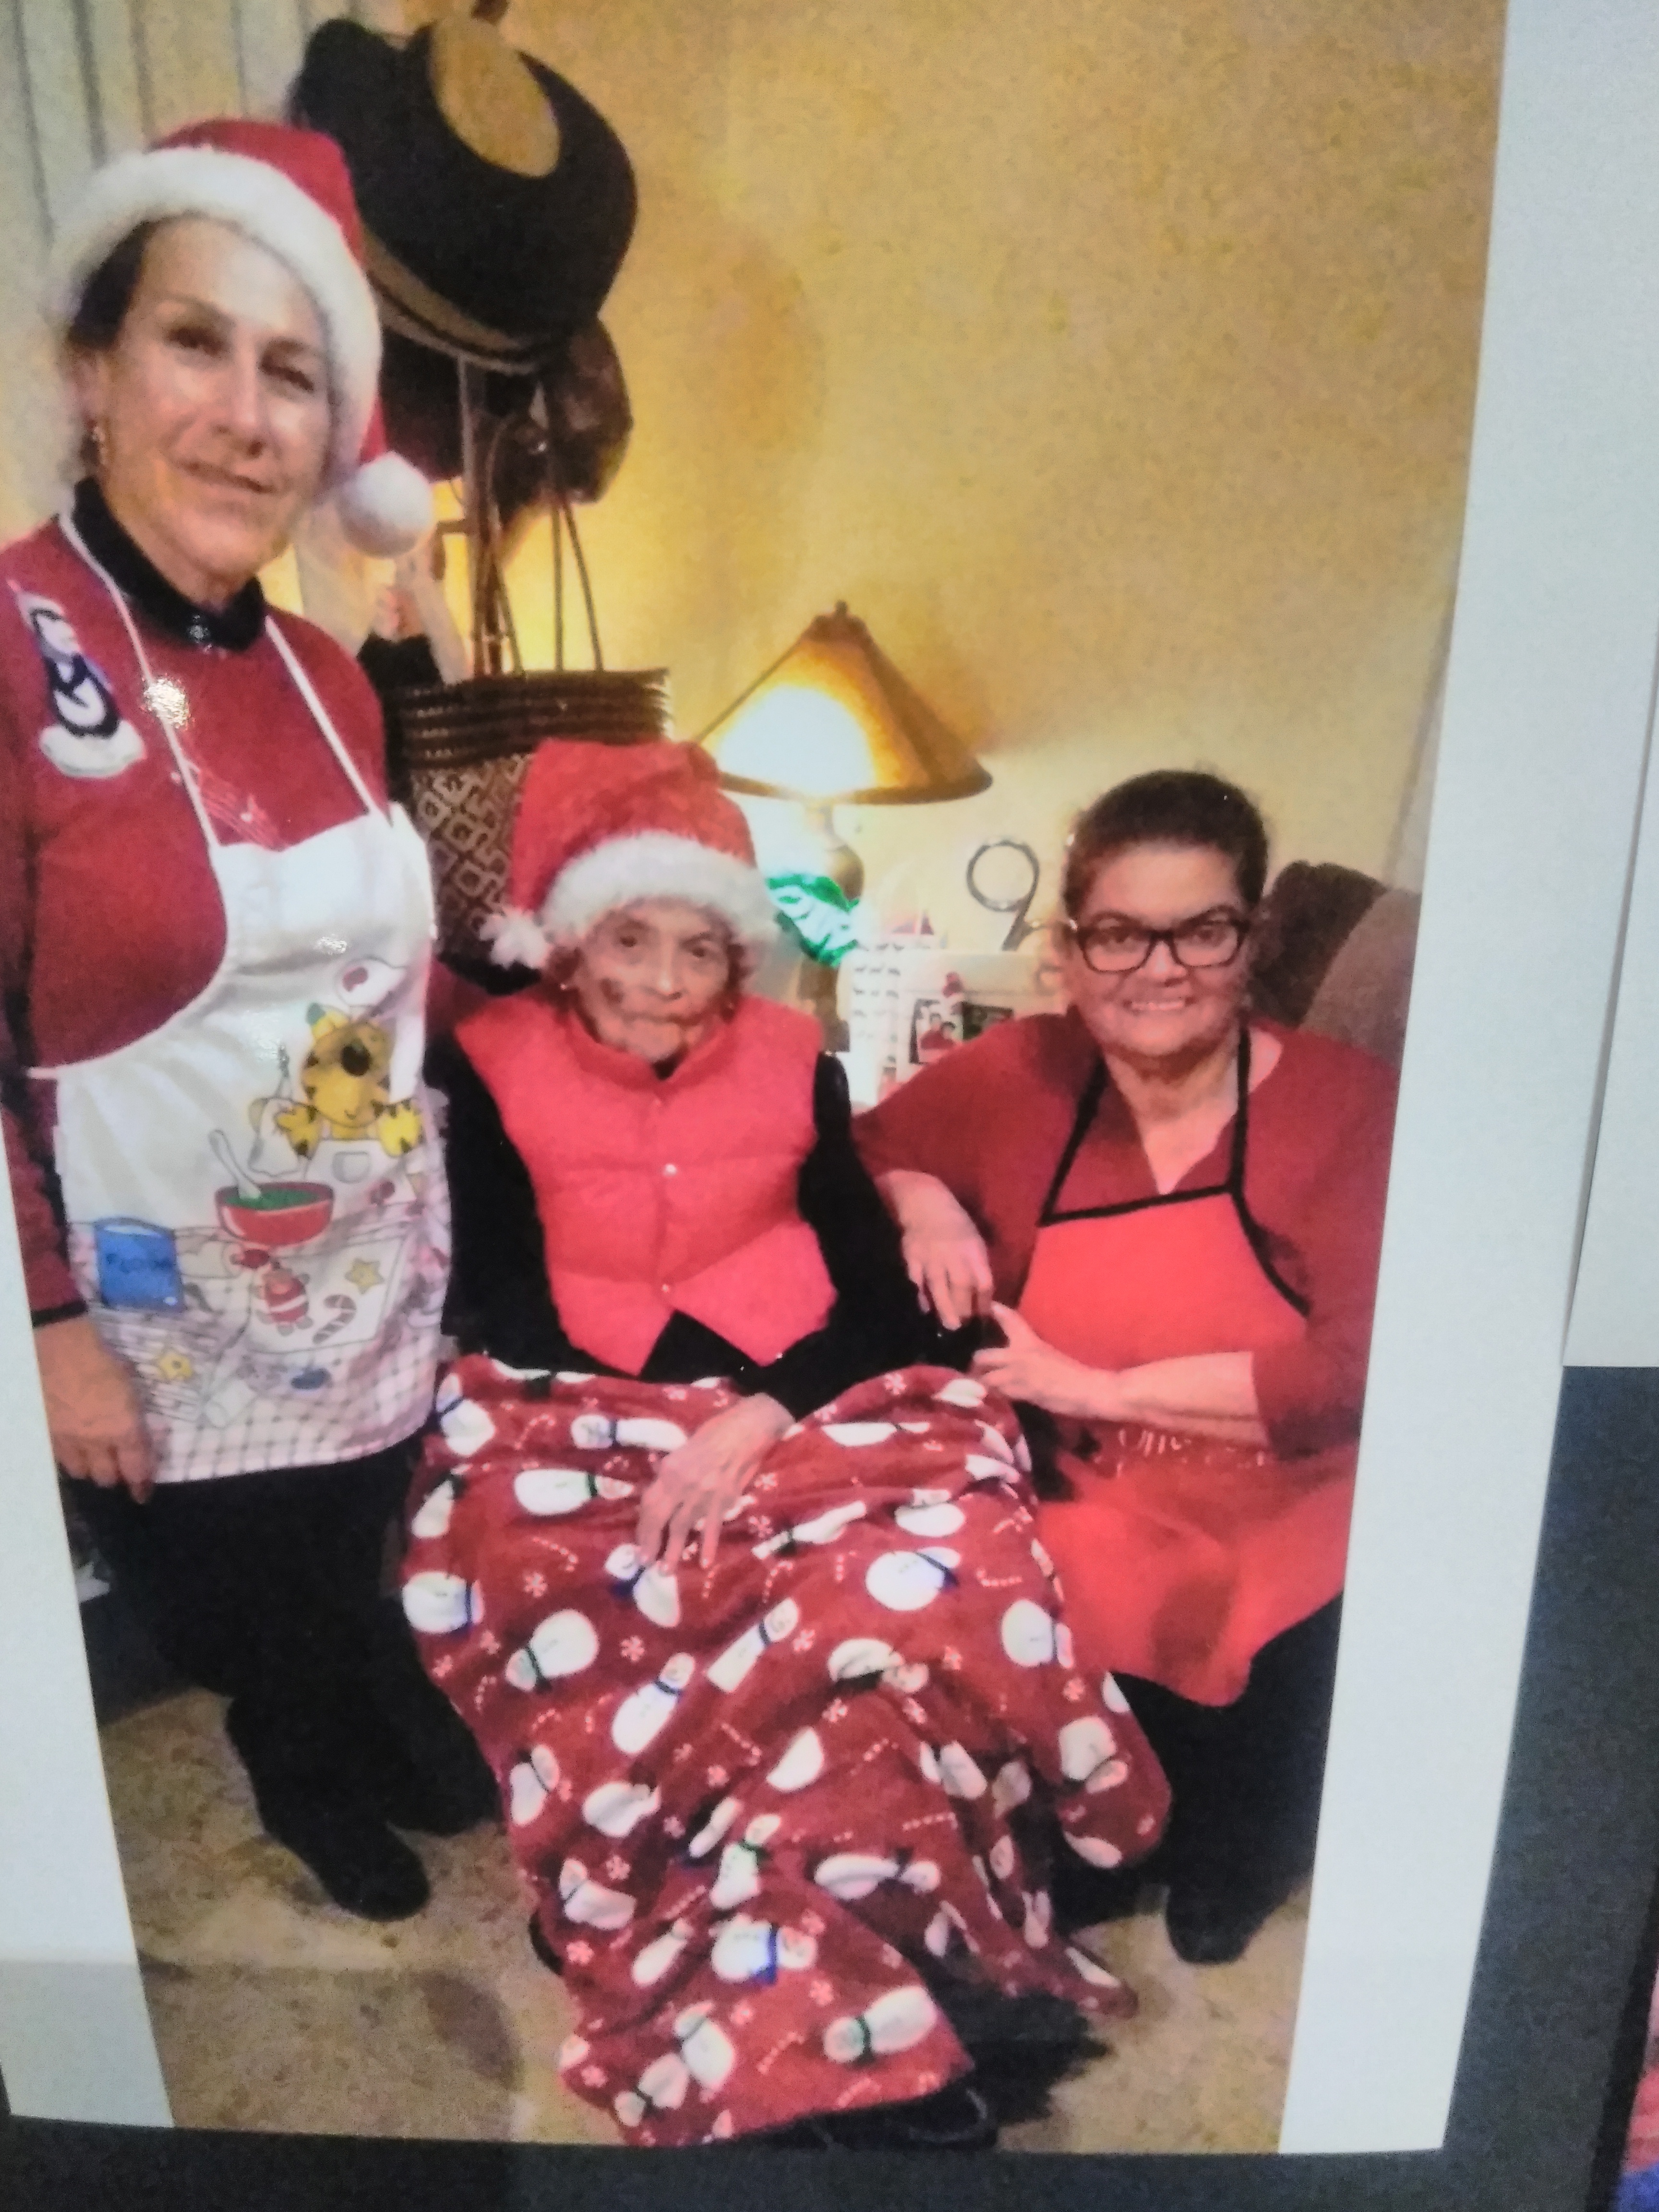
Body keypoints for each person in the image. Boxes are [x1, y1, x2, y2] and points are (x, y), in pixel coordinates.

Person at [406, 737, 1171, 2149]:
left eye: (699, 948)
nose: (661, 980)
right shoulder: (492, 1061)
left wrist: (757, 1417)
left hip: (814, 1392)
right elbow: (500, 1295)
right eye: (629, 939)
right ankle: (740, 1947)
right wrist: (656, 1429)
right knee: (585, 1584)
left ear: (738, 959)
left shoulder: (794, 1062)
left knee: (909, 1604)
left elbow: (875, 1296)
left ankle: (883, 1966)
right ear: (569, 941)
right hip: (584, 1406)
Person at [0, 118, 492, 1924]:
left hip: (349, 1237)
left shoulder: (329, 676)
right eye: (194, 343)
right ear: (92, 370)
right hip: (146, 1274)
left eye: (291, 371)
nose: (243, 414)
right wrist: (50, 1318)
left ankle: (357, 1678)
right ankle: (299, 1749)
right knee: (233, 1566)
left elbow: (382, 958)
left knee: (351, 1505)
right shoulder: (8, 640)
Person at [855, 770, 1399, 1964]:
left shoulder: (1350, 1106)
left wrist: (1098, 1388)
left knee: (1250, 1736)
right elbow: (870, 1142)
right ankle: (1113, 1828)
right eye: (1119, 934)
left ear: (1253, 939)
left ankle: (1239, 1838)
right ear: (1068, 949)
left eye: (1201, 931)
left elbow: (1352, 1375)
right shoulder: (1021, 1073)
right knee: (1025, 1594)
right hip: (1087, 1485)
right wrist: (926, 1202)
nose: (1159, 969)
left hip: (1289, 1490)